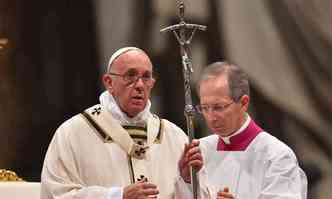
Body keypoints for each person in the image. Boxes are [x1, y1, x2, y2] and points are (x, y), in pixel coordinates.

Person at [40, 47, 203, 199]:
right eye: (130, 75)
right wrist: (117, 195)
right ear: (109, 82)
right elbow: (55, 193)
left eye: (146, 77)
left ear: (152, 84)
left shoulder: (173, 136)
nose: (139, 85)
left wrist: (187, 181)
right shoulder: (73, 133)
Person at [195, 61, 308, 199]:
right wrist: (185, 180)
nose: (211, 118)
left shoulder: (277, 156)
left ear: (243, 103)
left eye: (219, 107)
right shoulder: (199, 150)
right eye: (205, 108)